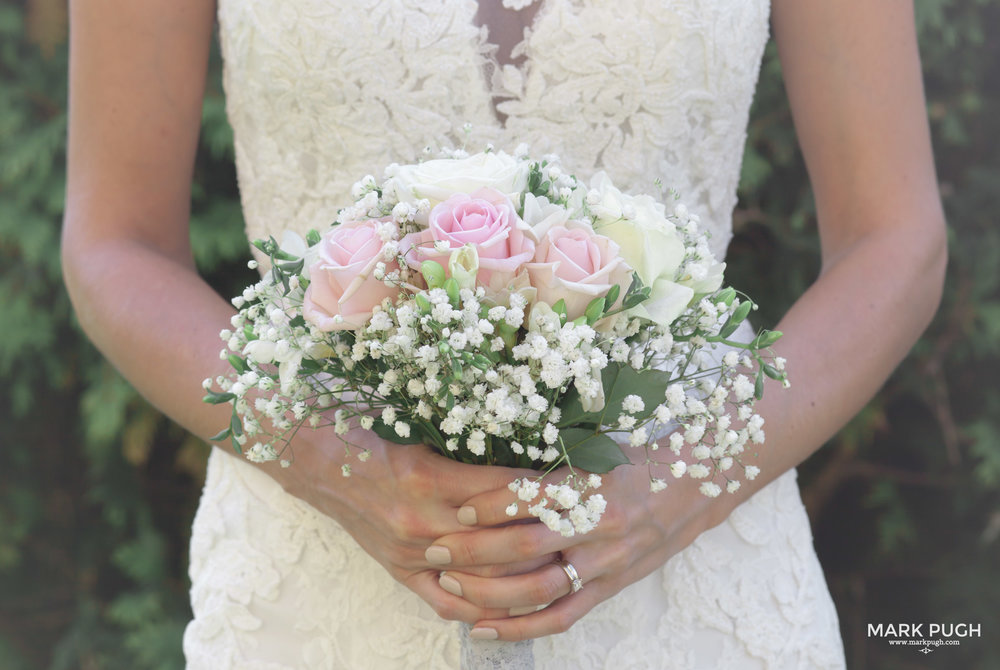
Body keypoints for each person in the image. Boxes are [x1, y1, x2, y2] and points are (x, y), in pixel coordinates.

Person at [61, 0, 946, 667]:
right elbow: (115, 244)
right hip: (314, 590)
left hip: (696, 589)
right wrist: (337, 465)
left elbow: (894, 238)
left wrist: (673, 490)